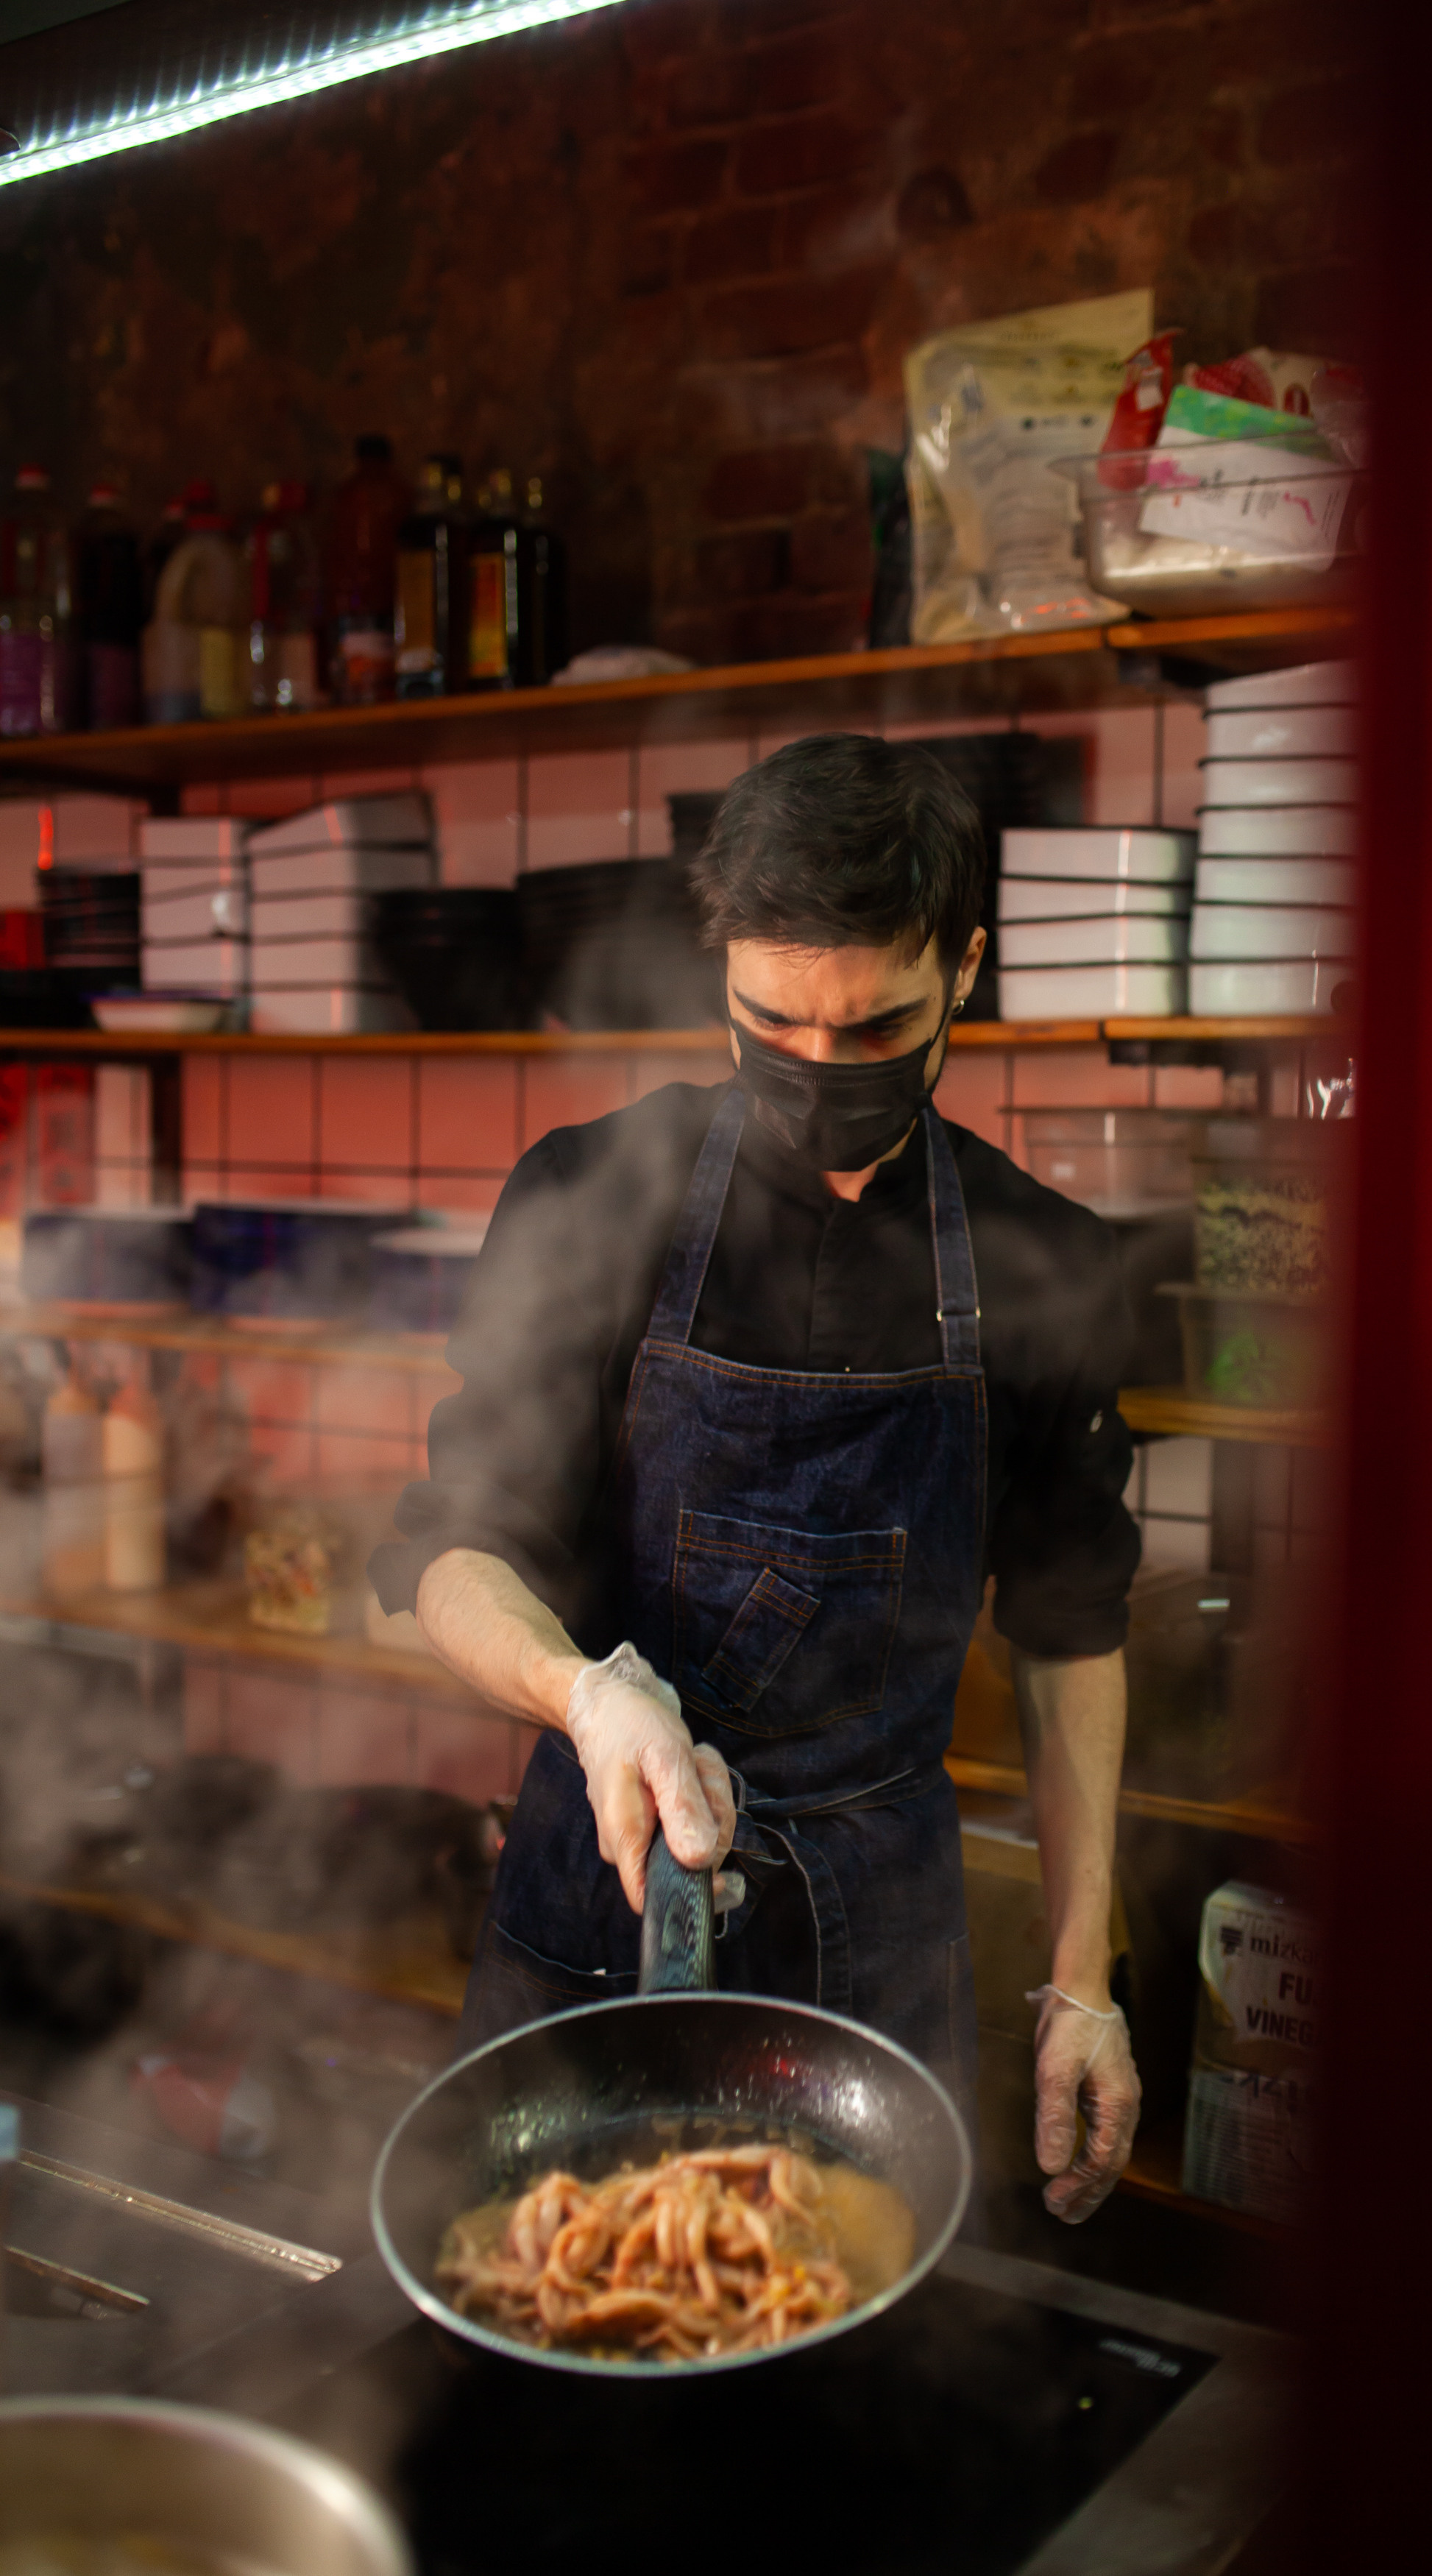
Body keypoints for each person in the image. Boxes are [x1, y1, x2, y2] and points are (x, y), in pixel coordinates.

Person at [371, 733, 1143, 2221]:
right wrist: (585, 1694)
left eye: (875, 1032)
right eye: (773, 1024)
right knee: (549, 2323)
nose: (820, 1074)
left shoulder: (1048, 1259)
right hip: (595, 1911)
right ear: (720, 967)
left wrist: (1078, 1976)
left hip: (880, 1943)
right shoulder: (595, 1198)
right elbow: (450, 1560)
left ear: (964, 967)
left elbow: (1071, 1630)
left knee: (848, 2385)